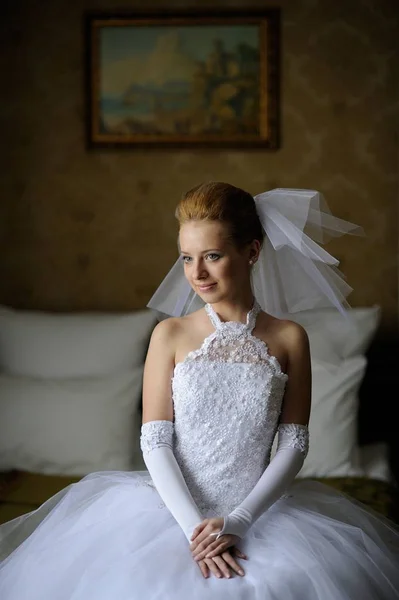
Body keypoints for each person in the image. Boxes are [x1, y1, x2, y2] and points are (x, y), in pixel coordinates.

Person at [0, 182, 398, 599]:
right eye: (187, 258)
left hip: (258, 515)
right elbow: (155, 439)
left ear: (252, 252)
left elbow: (294, 442)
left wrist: (241, 520)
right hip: (171, 513)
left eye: (212, 256)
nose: (197, 273)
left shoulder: (289, 338)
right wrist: (196, 532)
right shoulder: (168, 334)